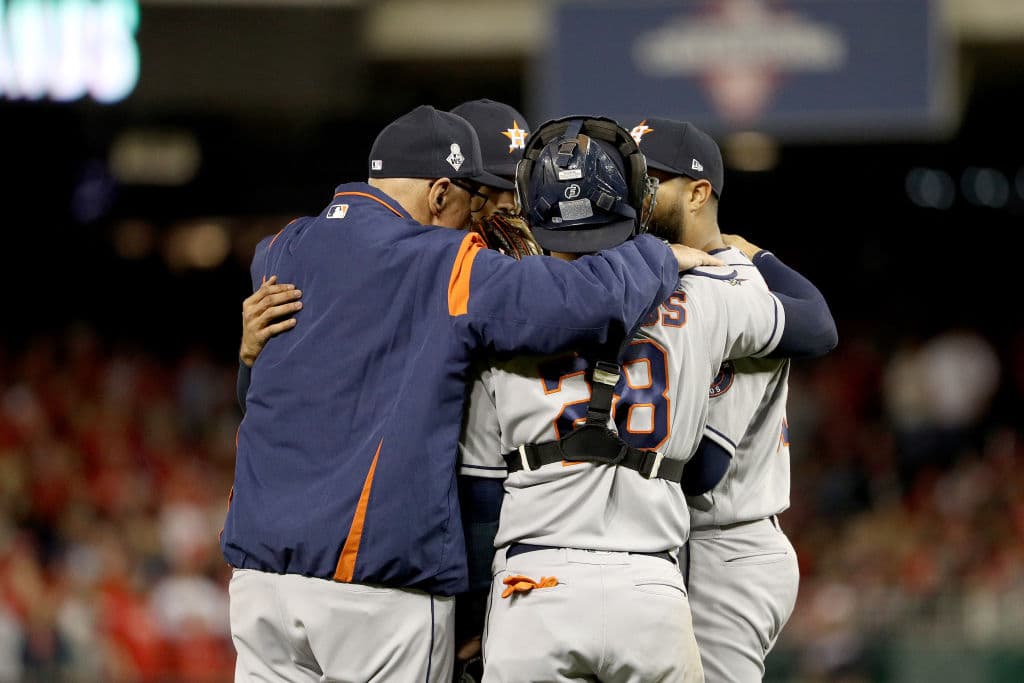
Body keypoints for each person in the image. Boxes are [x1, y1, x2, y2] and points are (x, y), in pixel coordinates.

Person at [221, 104, 721, 683]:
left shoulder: (281, 250)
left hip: (261, 584)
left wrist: (246, 357)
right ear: (438, 194)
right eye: (470, 204)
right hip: (370, 579)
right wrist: (654, 253)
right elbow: (585, 304)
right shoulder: (441, 262)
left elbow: (265, 396)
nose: (476, 223)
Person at [457, 116, 835, 683]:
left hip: (535, 577)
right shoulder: (707, 294)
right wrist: (748, 260)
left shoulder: (502, 310)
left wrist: (474, 614)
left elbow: (481, 495)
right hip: (651, 580)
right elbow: (815, 326)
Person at [631, 117, 838, 681]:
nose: (636, 193)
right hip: (700, 544)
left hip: (722, 547)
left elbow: (703, 469)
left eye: (653, 181)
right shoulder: (666, 277)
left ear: (698, 193)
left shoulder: (736, 290)